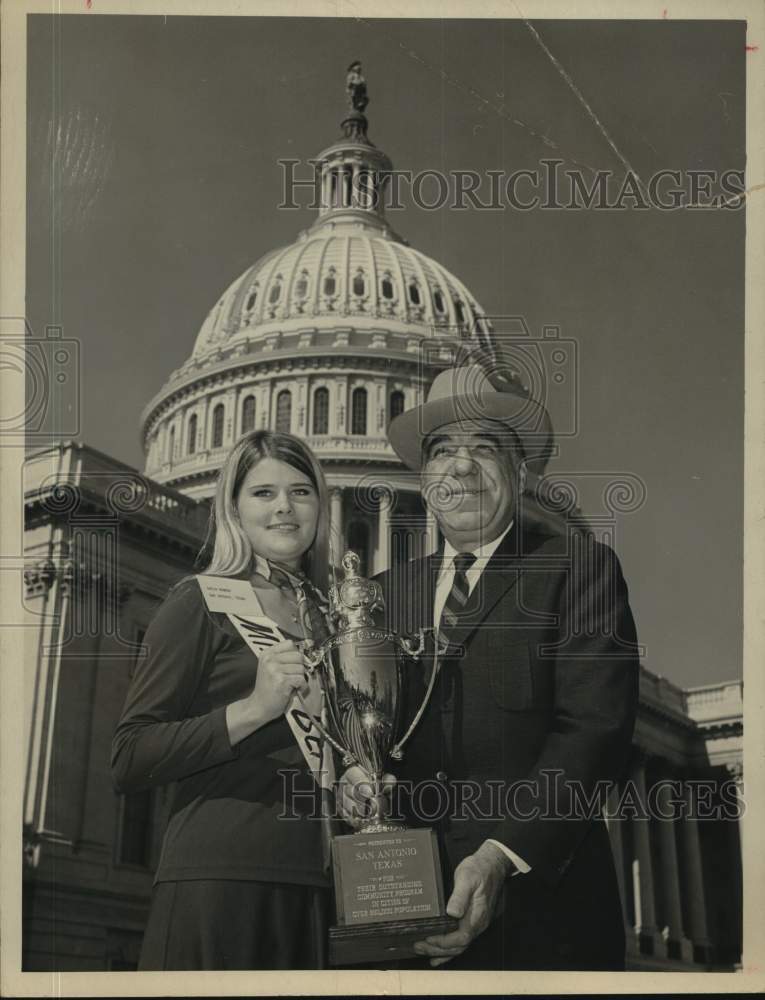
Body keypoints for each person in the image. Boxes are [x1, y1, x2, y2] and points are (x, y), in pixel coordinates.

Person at [339, 363, 640, 970]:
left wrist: (502, 854)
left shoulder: (577, 568)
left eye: (485, 448)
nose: (461, 466)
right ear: (424, 479)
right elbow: (371, 730)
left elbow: (593, 733)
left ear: (520, 470)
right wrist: (354, 776)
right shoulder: (379, 596)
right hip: (406, 914)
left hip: (543, 919)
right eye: (443, 449)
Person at [111, 430, 333, 970]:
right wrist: (252, 709)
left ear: (321, 506)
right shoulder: (199, 600)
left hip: (321, 885)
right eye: (263, 492)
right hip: (223, 879)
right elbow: (130, 756)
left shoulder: (334, 619)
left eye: (301, 491)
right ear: (232, 506)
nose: (284, 506)